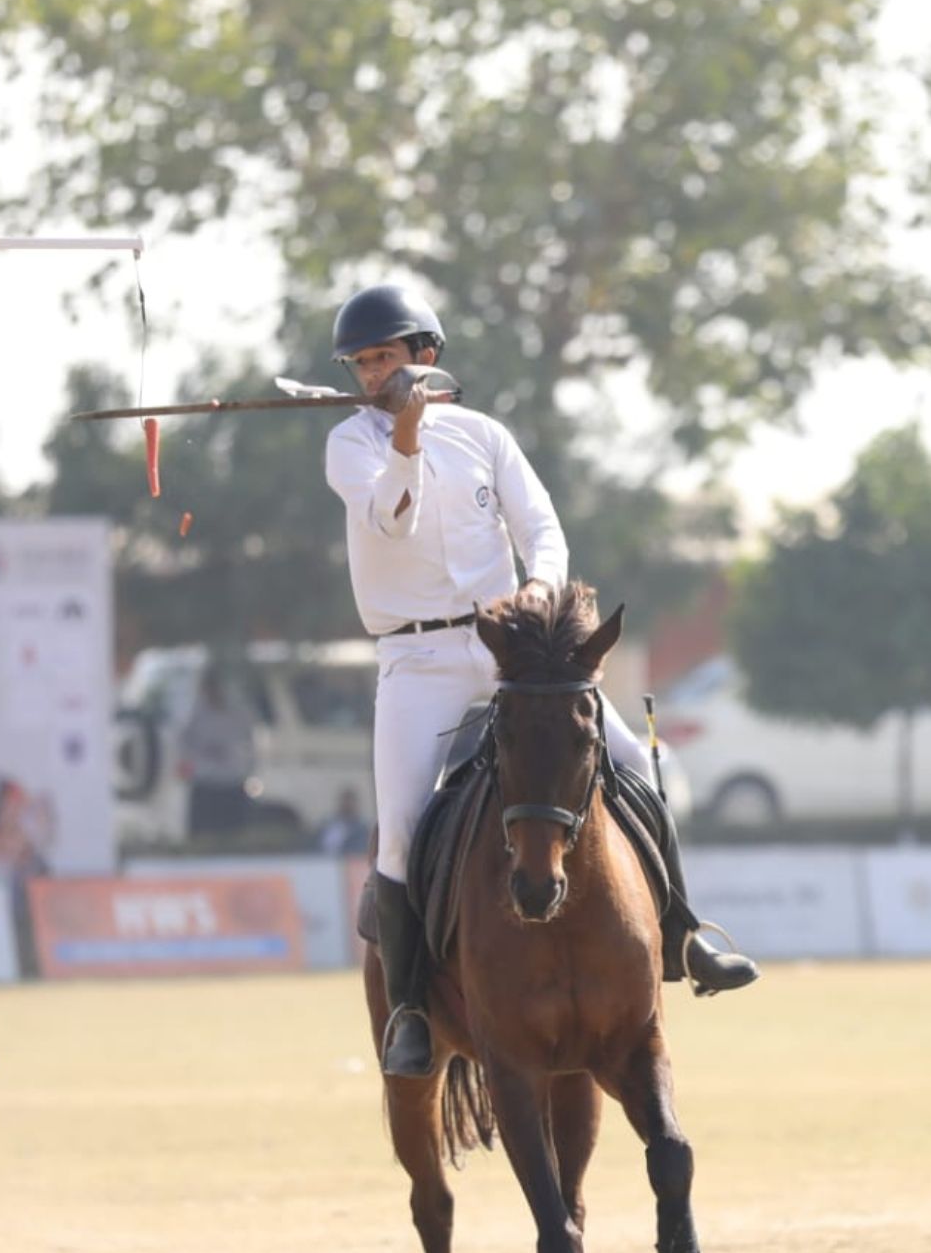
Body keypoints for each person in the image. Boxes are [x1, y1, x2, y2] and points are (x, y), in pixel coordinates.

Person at [325, 282, 758, 1079]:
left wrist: (541, 586)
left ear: (426, 355)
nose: (372, 374)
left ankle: (688, 937)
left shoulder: (486, 435)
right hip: (415, 661)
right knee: (400, 832)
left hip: (509, 648)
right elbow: (392, 516)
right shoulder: (352, 445)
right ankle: (415, 1011)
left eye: (385, 357)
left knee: (634, 770)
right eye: (361, 364)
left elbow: (542, 527)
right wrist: (407, 434)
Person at [179, 668, 258, 837]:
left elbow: (249, 742)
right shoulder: (195, 713)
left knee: (233, 833)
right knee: (203, 834)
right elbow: (184, 743)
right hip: (205, 782)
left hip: (232, 782)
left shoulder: (238, 712)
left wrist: (248, 769)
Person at [317, 785, 372, 856]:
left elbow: (359, 851)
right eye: (344, 802)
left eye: (350, 803)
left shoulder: (362, 830)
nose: (346, 805)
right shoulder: (328, 825)